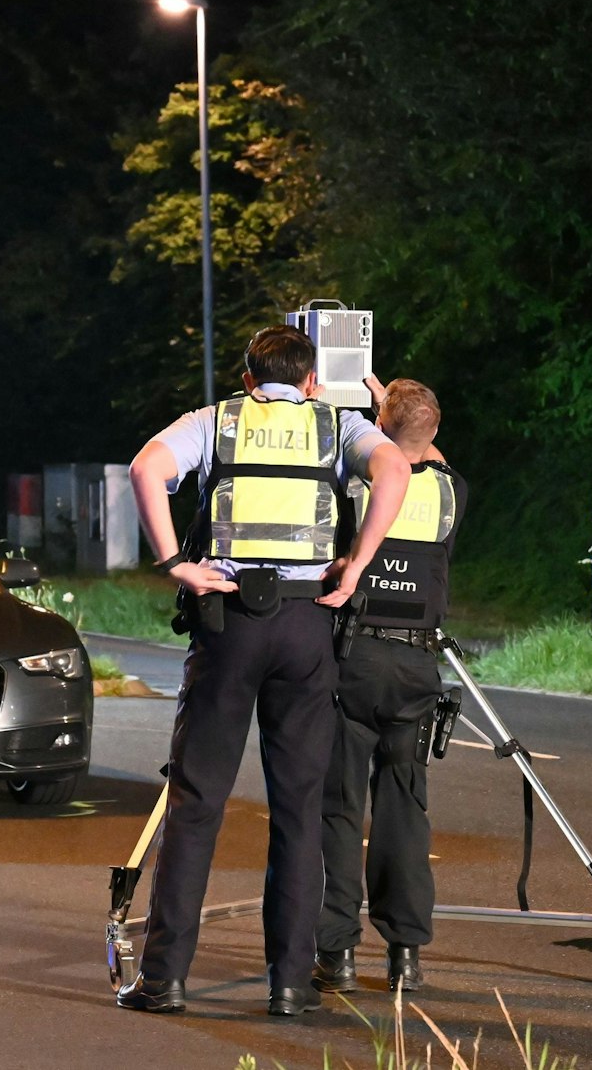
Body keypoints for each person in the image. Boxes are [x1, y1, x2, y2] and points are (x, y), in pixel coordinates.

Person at [117, 325, 409, 1018]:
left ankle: (165, 980)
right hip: (307, 624)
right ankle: (287, 984)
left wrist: (173, 563)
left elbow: (144, 469)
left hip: (228, 622)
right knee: (299, 810)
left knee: (196, 802)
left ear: (249, 379)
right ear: (312, 381)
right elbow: (395, 469)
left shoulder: (214, 421)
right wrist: (358, 562)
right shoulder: (336, 426)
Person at [312, 377, 465, 995]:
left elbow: (372, 456)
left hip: (353, 660)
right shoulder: (452, 492)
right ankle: (405, 957)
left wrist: (360, 409)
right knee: (406, 812)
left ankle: (337, 956)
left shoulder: (357, 487)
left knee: (341, 810)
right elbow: (428, 451)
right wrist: (398, 408)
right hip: (416, 669)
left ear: (381, 425)